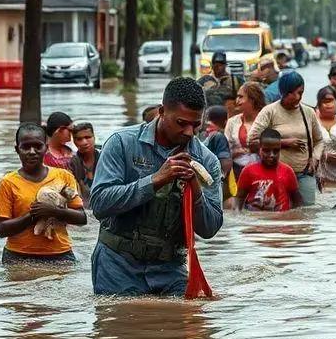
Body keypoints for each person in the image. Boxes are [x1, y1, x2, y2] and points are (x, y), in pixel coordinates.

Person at [88, 77, 224, 295]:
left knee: (187, 324)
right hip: (118, 265)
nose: (189, 132)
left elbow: (210, 228)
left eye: (196, 125)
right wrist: (156, 179)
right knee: (119, 326)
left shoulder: (207, 161)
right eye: (181, 123)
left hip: (170, 268)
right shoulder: (121, 143)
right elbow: (100, 204)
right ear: (161, 112)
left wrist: (195, 189)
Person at [0, 123, 88, 265]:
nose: (32, 151)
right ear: (17, 150)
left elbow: (81, 217)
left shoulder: (63, 177)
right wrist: (32, 216)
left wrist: (54, 211)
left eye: (38, 146)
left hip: (60, 255)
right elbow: (1, 229)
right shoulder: (8, 183)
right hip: (18, 256)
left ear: (46, 148)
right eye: (25, 147)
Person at [248, 70, 324, 205]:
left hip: (304, 174)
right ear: (283, 93)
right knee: (277, 214)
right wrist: (284, 143)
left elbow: (319, 141)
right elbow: (252, 141)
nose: (297, 97)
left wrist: (315, 158)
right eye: (291, 93)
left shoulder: (308, 112)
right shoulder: (269, 111)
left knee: (306, 215)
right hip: (276, 174)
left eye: (300, 92)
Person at [234, 128, 305, 211]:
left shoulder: (287, 171)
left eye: (276, 151)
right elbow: (239, 198)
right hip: (255, 221)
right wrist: (237, 215)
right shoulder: (248, 171)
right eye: (266, 151)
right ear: (260, 148)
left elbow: (297, 201)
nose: (271, 155)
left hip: (281, 221)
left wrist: (294, 218)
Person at [224, 81, 267, 180]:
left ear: (253, 99)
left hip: (264, 172)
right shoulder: (232, 122)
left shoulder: (267, 121)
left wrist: (259, 147)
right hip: (238, 172)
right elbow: (224, 152)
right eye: (237, 97)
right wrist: (235, 152)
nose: (237, 100)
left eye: (241, 97)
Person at [200, 105, 233, 195]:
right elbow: (225, 162)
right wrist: (221, 178)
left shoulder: (203, 134)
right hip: (213, 183)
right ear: (225, 122)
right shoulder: (219, 136)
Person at [68, 122, 100, 199]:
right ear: (74, 142)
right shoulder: (72, 163)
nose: (84, 142)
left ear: (94, 137)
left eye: (88, 137)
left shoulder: (104, 157)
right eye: (79, 139)